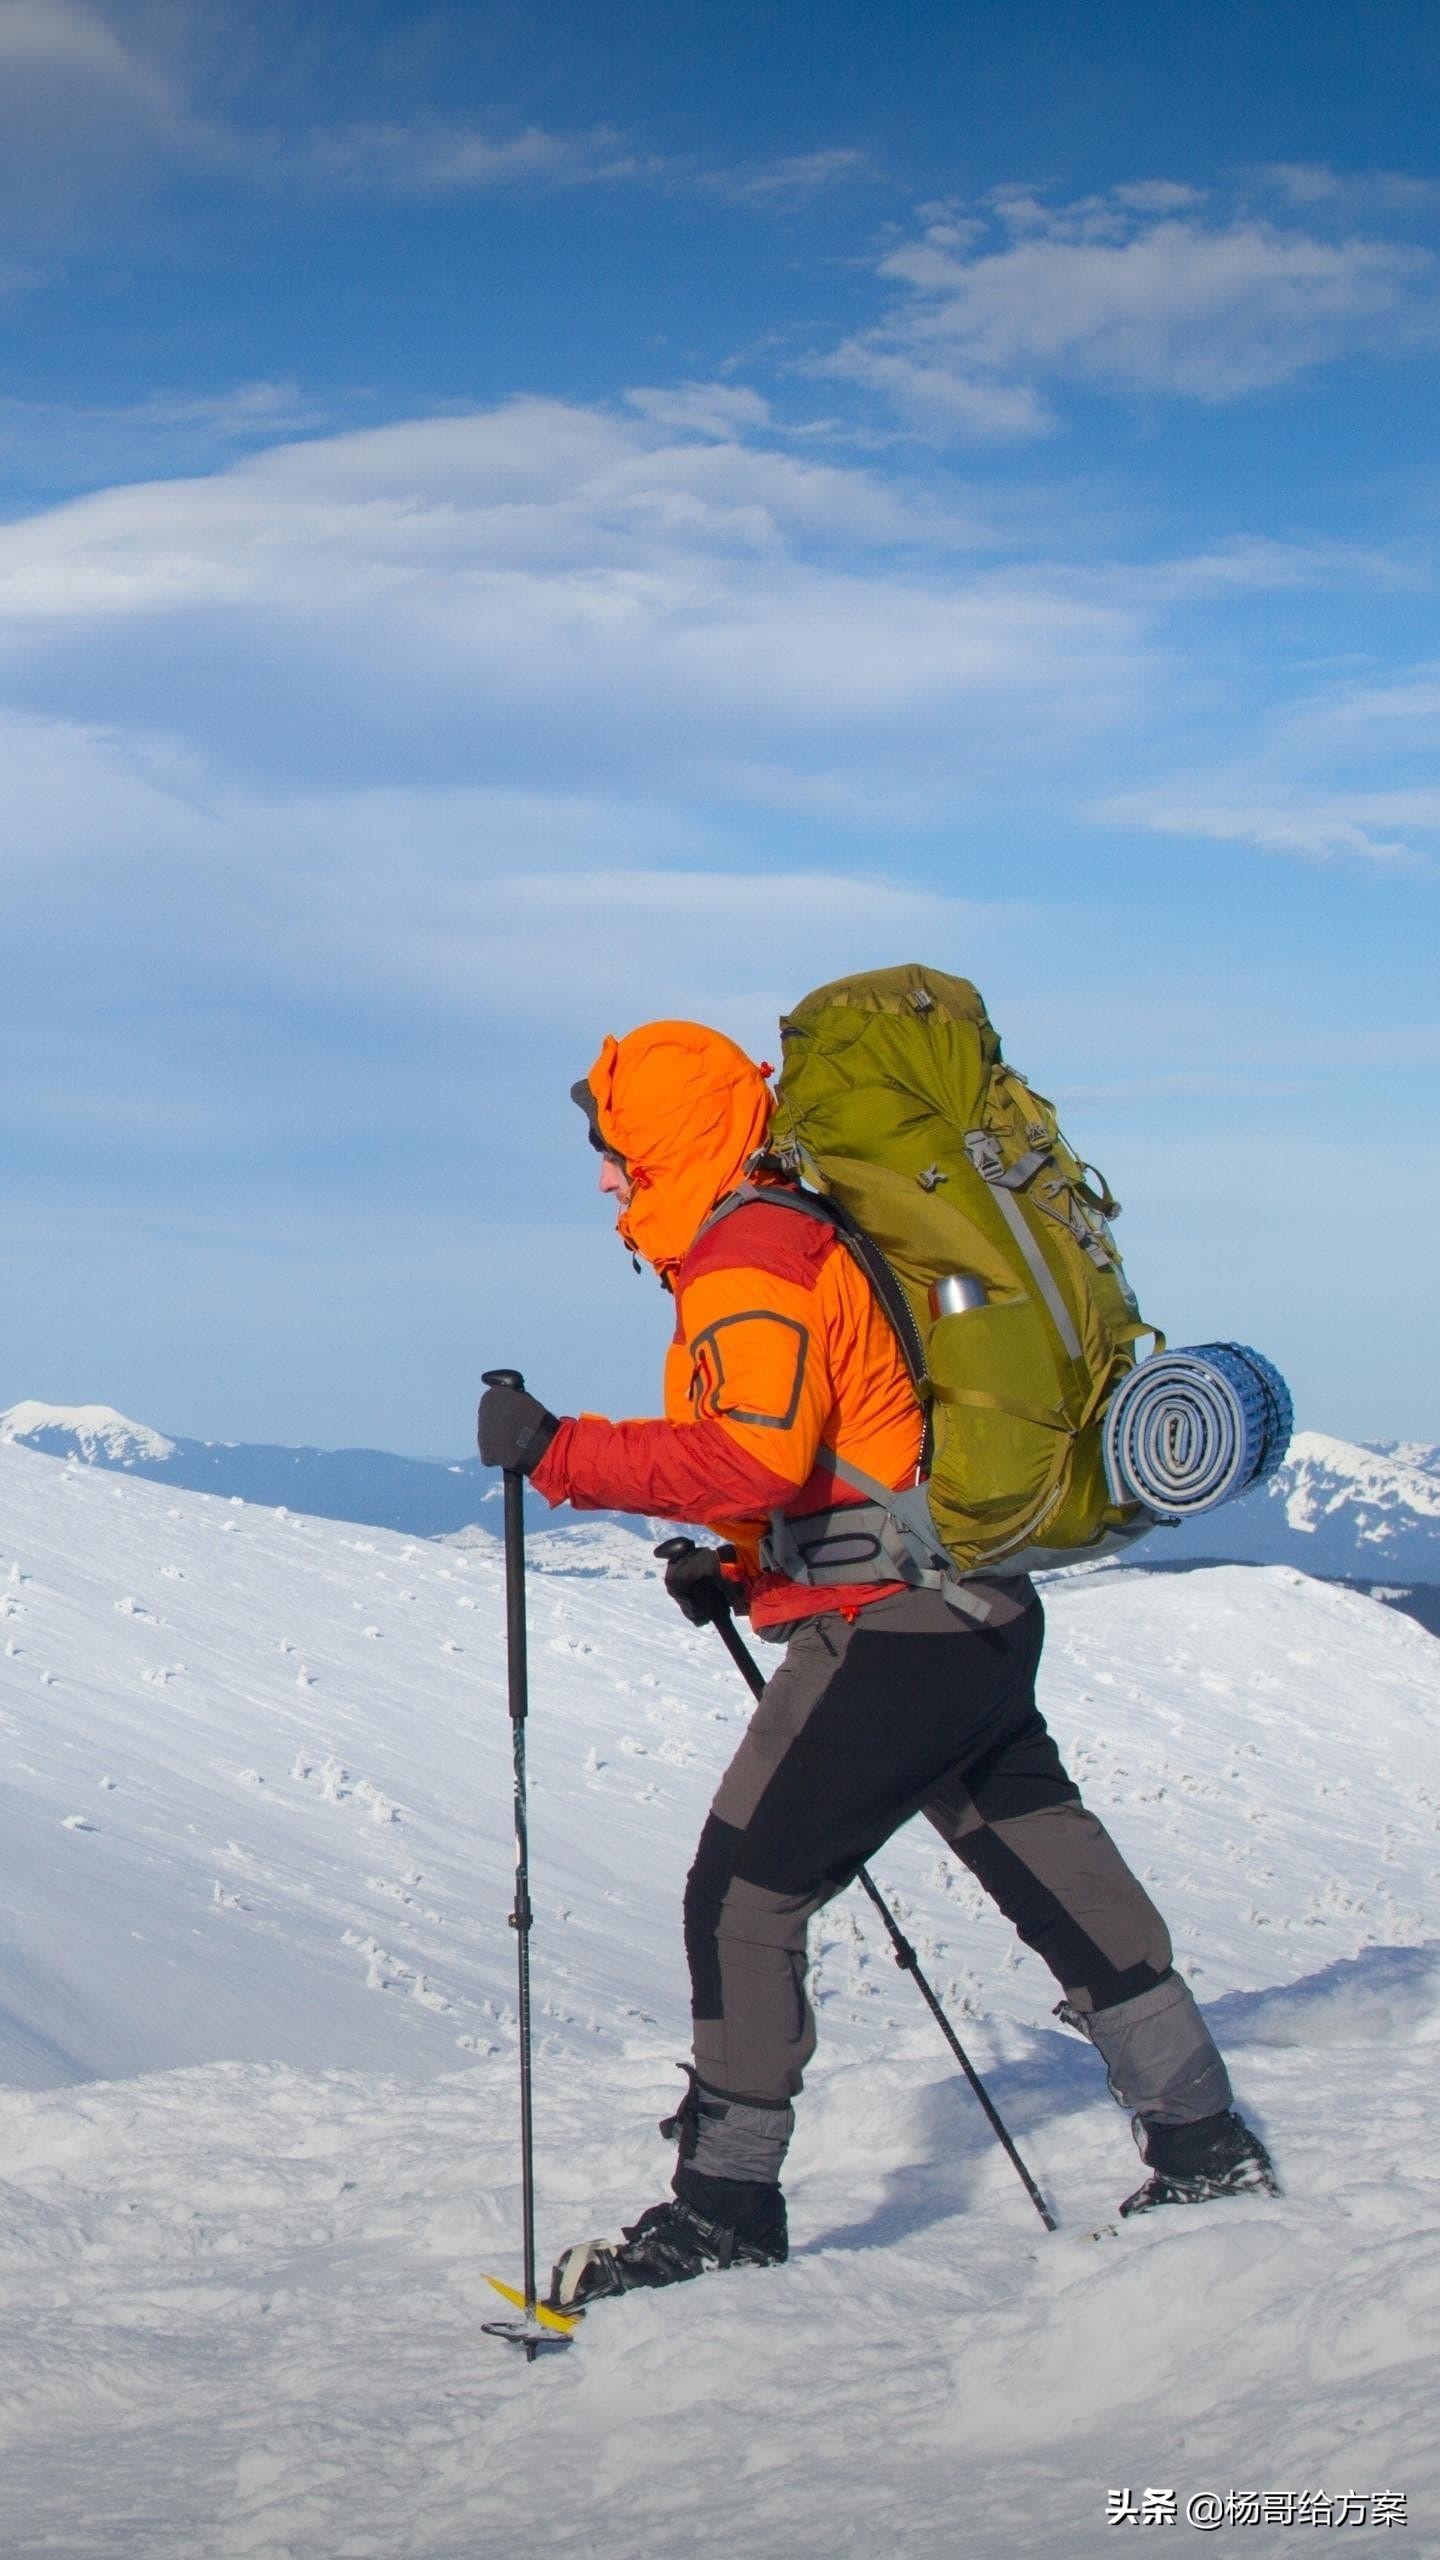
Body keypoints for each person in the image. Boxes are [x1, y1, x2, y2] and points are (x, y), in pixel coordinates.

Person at [476, 1020, 1277, 2309]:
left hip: (894, 1638)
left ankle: (725, 2210)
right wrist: (749, 1572)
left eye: (614, 1149)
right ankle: (1203, 2142)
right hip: (976, 1616)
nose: (605, 1179)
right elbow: (864, 1439)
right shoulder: (806, 1228)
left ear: (669, 1140)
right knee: (1050, 1868)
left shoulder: (748, 1252)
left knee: (741, 1898)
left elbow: (753, 1455)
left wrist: (557, 1449)